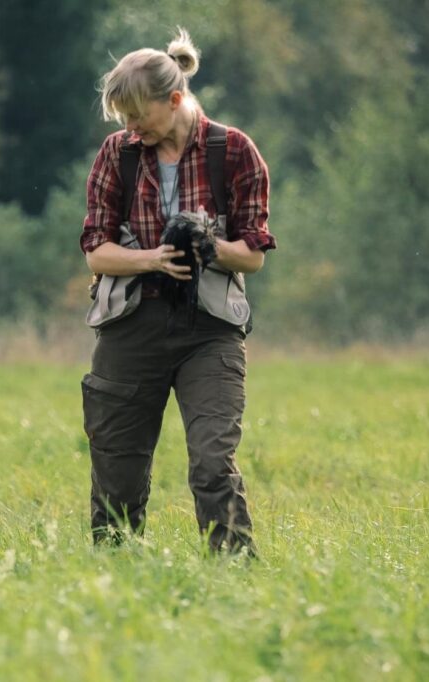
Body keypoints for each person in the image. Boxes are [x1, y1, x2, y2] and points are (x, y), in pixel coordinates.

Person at [80, 28, 276, 554]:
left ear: (174, 99)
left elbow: (252, 255)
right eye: (122, 117)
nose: (130, 127)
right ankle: (112, 579)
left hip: (209, 330)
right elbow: (96, 251)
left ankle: (234, 576)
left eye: (138, 115)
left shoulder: (234, 152)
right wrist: (153, 260)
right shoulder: (117, 155)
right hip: (130, 325)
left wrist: (207, 243)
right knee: (116, 472)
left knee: (214, 463)